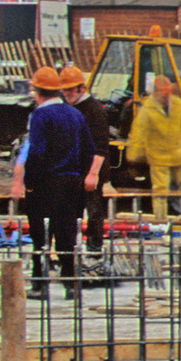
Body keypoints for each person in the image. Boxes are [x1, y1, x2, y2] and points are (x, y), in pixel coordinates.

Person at [9, 63, 98, 300]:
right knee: (67, 235)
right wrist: (79, 175)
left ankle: (39, 285)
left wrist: (29, 182)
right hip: (72, 184)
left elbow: (36, 152)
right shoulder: (75, 114)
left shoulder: (40, 115)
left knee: (40, 236)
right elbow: (89, 150)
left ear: (37, 92)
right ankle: (70, 284)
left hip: (46, 183)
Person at [129, 73, 181, 221]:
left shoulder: (178, 104)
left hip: (180, 152)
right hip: (158, 156)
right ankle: (160, 220)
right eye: (163, 93)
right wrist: (134, 153)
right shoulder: (147, 109)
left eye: (168, 92)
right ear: (155, 93)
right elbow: (138, 131)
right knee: (160, 190)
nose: (166, 96)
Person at [59, 64, 114, 259]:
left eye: (70, 90)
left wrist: (93, 174)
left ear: (81, 88)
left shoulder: (94, 110)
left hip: (91, 170)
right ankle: (70, 248)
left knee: (94, 211)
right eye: (64, 90)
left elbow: (101, 146)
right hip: (74, 169)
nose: (67, 94)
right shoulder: (70, 107)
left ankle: (94, 249)